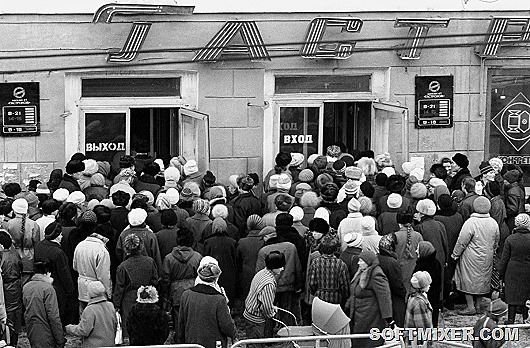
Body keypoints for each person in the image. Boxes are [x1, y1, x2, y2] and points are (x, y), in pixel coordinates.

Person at [452, 196, 499, 315]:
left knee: (469, 279)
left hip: (471, 256)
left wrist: (455, 254)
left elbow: (462, 241)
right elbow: (496, 240)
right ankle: (478, 306)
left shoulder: (471, 222)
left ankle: (470, 306)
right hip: (487, 256)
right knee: (481, 281)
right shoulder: (493, 222)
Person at [178, 260, 236, 348]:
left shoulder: (186, 295)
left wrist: (182, 342)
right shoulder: (219, 299)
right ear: (216, 278)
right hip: (213, 344)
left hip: (192, 342)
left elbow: (181, 323)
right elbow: (226, 326)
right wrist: (234, 334)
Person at [113, 233, 158, 340]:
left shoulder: (122, 266)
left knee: (131, 331)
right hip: (147, 297)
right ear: (141, 246)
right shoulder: (150, 262)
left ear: (126, 248)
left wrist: (116, 305)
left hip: (129, 300)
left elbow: (119, 288)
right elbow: (155, 281)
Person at [345, 249, 393, 348]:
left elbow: (385, 297)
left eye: (361, 261)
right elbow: (354, 292)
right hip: (359, 316)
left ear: (368, 262)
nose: (358, 263)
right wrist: (348, 305)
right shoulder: (362, 272)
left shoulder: (376, 274)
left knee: (366, 342)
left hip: (370, 318)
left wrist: (388, 318)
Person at [34, 222, 75, 327]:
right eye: (60, 234)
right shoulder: (58, 252)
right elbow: (64, 273)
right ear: (56, 236)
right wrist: (70, 289)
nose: (62, 236)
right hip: (57, 286)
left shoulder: (39, 245)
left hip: (42, 281)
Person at [243, 251, 286, 346]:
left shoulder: (261, 273)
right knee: (257, 345)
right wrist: (272, 312)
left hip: (249, 314)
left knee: (251, 344)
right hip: (256, 319)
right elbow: (266, 307)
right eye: (279, 266)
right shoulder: (269, 283)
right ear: (273, 267)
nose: (282, 269)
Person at [73, 215, 112, 315]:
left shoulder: (80, 245)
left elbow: (75, 266)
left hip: (81, 286)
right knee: (97, 316)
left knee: (84, 315)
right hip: (97, 290)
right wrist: (108, 293)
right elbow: (103, 275)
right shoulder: (102, 250)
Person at [162, 228, 202, 325]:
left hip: (176, 292)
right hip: (194, 291)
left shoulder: (169, 258)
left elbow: (166, 279)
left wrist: (166, 295)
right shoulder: (197, 257)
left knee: (178, 321)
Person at [23, 261, 65, 348]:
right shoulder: (48, 289)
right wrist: (60, 340)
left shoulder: (26, 287)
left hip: (31, 330)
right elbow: (53, 317)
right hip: (46, 333)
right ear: (48, 273)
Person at [498, 213, 530, 324]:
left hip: (512, 269)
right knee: (526, 295)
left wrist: (500, 272)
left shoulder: (510, 239)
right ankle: (526, 319)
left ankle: (511, 319)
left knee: (512, 295)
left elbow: (504, 258)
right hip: (527, 269)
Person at [65, 281, 117, 347]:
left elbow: (84, 330)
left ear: (90, 293)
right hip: (110, 344)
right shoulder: (110, 306)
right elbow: (114, 325)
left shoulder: (90, 309)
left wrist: (69, 328)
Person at [203, 217, 237, 305]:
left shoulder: (208, 242)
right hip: (229, 274)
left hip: (213, 273)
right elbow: (235, 260)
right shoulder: (232, 242)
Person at [308, 235, 349, 306]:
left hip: (319, 297)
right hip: (336, 298)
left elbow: (312, 283)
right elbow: (345, 286)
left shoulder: (315, 262)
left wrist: (314, 292)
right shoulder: (341, 264)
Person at [6, 198, 40, 284]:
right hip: (30, 258)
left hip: (13, 256)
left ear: (14, 210)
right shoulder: (33, 224)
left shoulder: (8, 224)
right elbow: (37, 243)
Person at [377, 233, 406, 327]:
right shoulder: (392, 262)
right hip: (394, 299)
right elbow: (397, 284)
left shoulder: (376, 258)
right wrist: (404, 293)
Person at [0, 230, 22, 347]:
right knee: (15, 315)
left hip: (6, 287)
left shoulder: (3, 257)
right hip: (16, 286)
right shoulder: (15, 254)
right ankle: (13, 342)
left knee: (7, 317)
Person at [413, 241, 442, 327]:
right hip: (434, 297)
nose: (416, 251)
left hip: (426, 298)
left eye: (418, 249)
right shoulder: (436, 263)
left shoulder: (422, 266)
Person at [394, 210, 424, 294]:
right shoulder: (418, 235)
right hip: (414, 269)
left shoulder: (395, 236)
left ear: (399, 223)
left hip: (399, 270)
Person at [404, 271, 433, 348]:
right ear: (421, 287)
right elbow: (421, 326)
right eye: (427, 284)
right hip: (418, 343)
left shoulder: (413, 297)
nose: (429, 286)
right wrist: (427, 341)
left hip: (412, 339)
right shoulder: (419, 302)